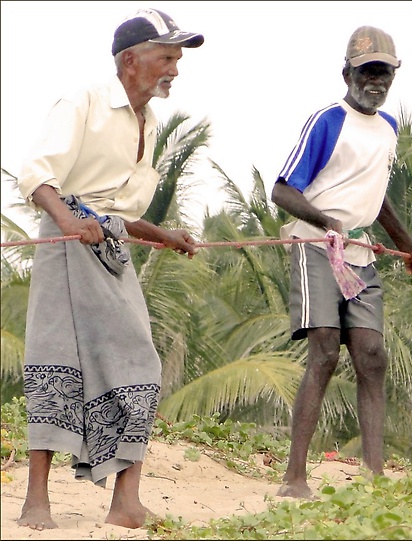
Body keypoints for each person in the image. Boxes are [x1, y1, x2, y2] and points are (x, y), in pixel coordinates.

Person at [15, 8, 203, 530]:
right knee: (55, 365)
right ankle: (37, 500)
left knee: (139, 363)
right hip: (64, 244)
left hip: (108, 249)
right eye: (166, 57)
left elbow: (117, 212)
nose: (175, 70)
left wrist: (164, 235)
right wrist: (69, 221)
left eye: (177, 59)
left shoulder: (148, 120)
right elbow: (38, 175)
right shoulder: (85, 102)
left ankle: (125, 500)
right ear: (129, 60)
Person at [271, 25, 412, 499]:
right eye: (367, 71)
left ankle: (375, 477)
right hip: (314, 244)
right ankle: (295, 477)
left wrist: (408, 245)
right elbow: (282, 190)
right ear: (348, 73)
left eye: (384, 73)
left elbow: (375, 197)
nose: (376, 81)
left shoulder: (389, 130)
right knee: (325, 349)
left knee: (373, 356)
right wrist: (325, 222)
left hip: (359, 253)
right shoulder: (326, 121)